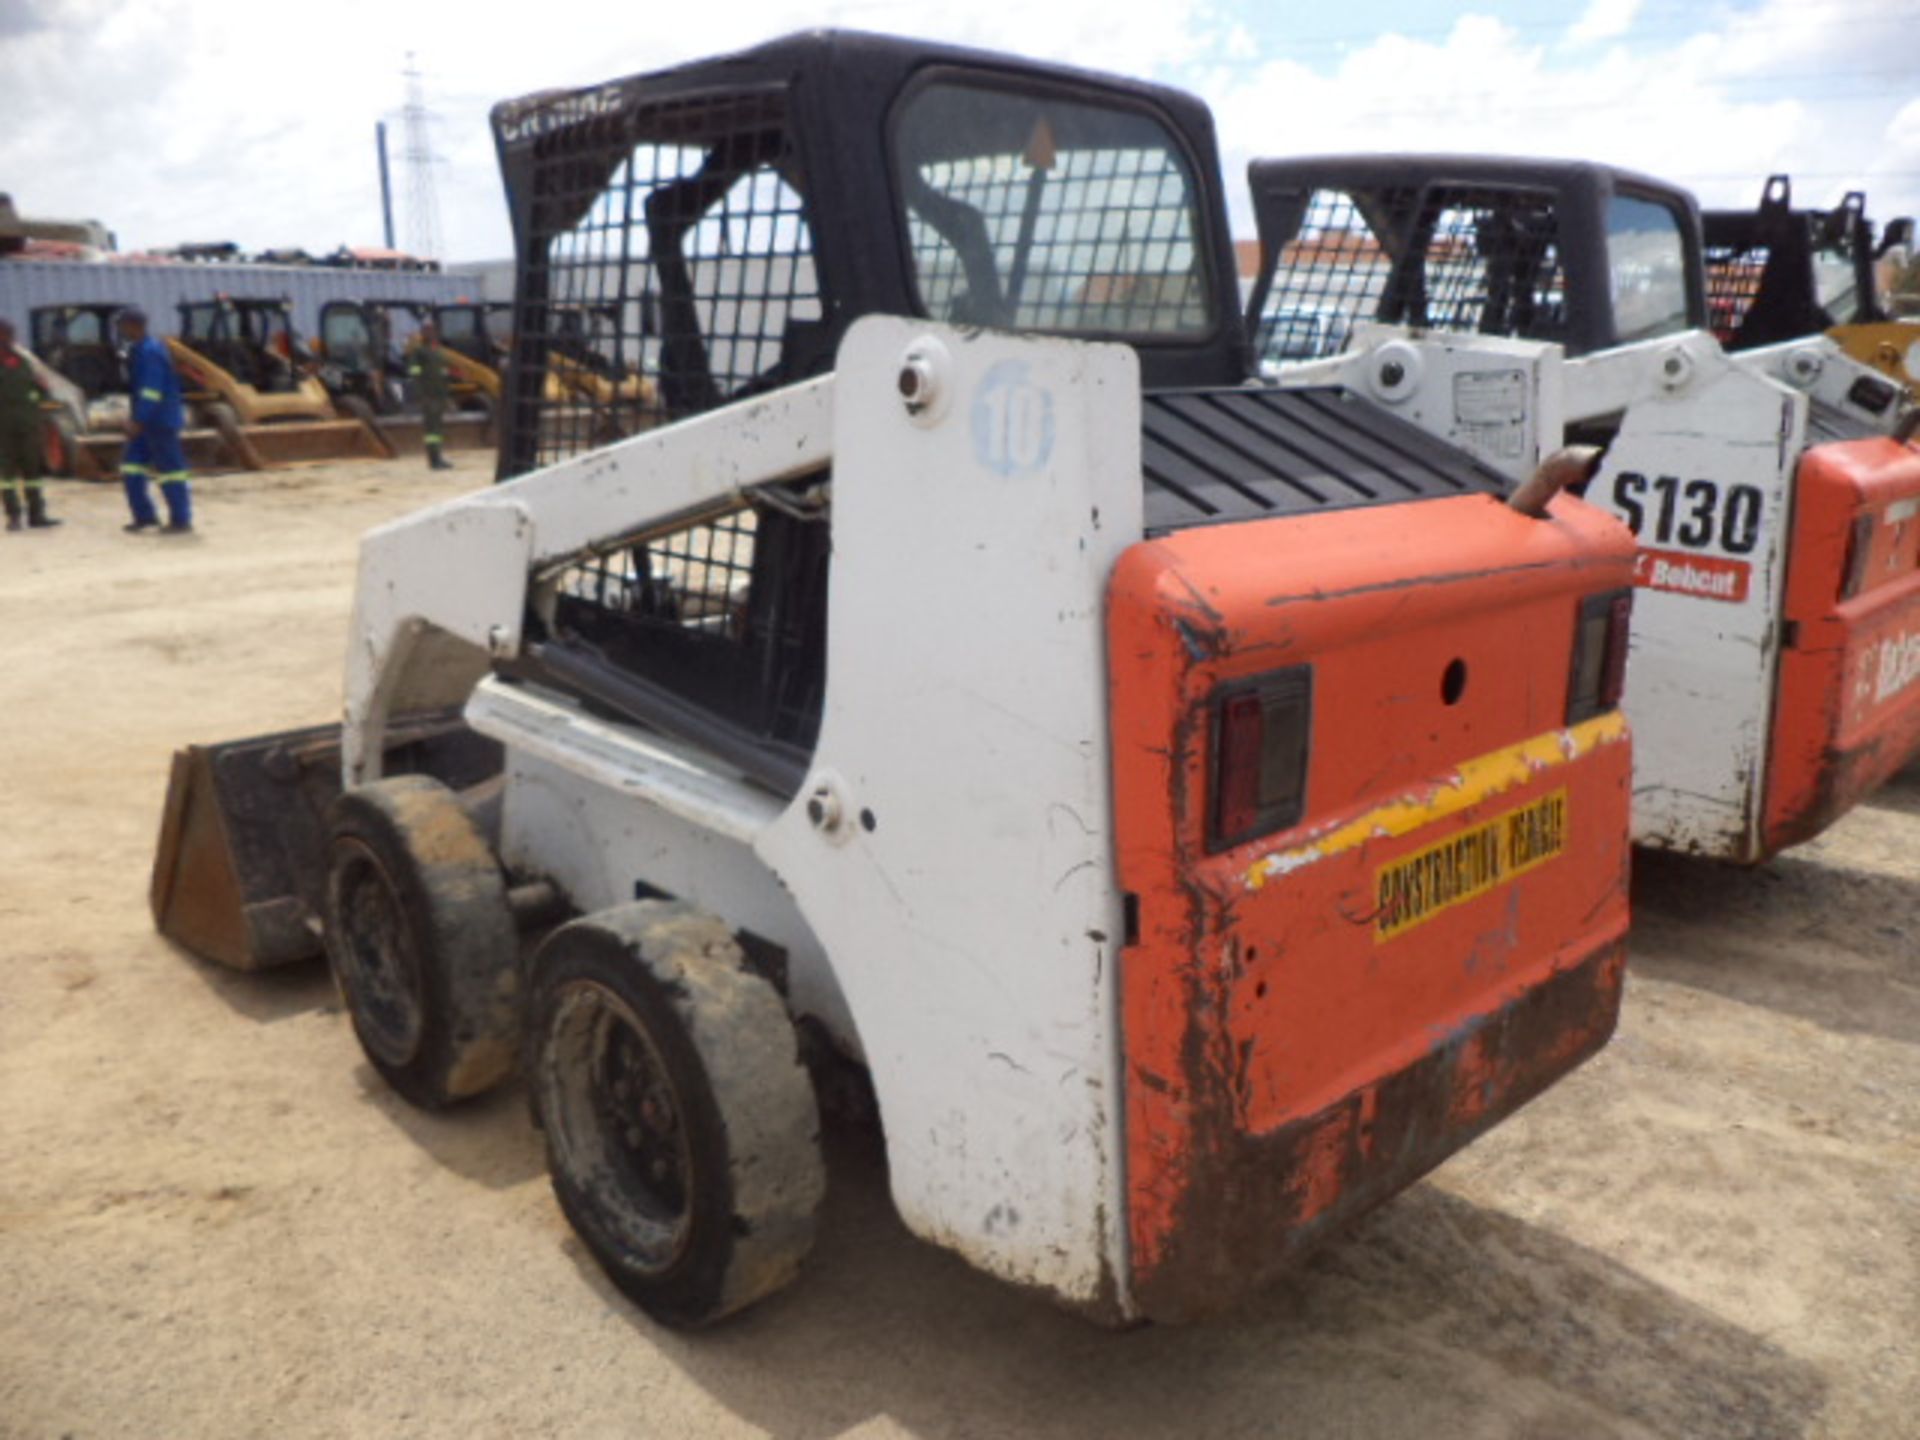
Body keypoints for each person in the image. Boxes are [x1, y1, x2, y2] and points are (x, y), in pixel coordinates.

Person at [117, 307, 193, 534]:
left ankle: (181, 520)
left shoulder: (150, 351)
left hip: (159, 422)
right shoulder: (140, 350)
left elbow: (152, 391)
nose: (121, 331)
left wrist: (138, 420)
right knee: (132, 468)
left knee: (171, 471)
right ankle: (145, 516)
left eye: (123, 326)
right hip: (147, 422)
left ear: (133, 325)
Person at [0, 319, 59, 531]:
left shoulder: (24, 359)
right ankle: (13, 516)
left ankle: (37, 514)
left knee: (32, 470)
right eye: (4, 334)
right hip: (3, 428)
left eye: (9, 334)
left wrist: (36, 398)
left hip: (28, 424)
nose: (7, 339)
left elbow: (42, 388)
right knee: (6, 475)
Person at [409, 319, 453, 471]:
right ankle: (433, 460)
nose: (431, 333)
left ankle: (438, 457)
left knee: (438, 430)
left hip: (439, 395)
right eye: (427, 330)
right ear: (423, 333)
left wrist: (447, 394)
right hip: (429, 396)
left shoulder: (438, 352)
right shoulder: (419, 352)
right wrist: (422, 394)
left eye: (432, 330)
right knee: (431, 430)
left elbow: (444, 373)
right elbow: (414, 373)